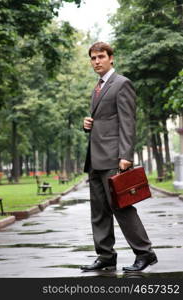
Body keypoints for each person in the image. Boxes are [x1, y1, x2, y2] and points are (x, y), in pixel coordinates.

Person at [81, 42, 157, 272]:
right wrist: (87, 126)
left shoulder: (121, 84)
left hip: (114, 159)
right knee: (99, 211)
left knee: (122, 208)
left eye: (101, 57)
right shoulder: (98, 87)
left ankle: (145, 253)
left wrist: (125, 155)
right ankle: (106, 256)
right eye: (93, 58)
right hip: (95, 160)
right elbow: (105, 121)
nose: (97, 61)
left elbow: (127, 122)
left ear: (111, 58)